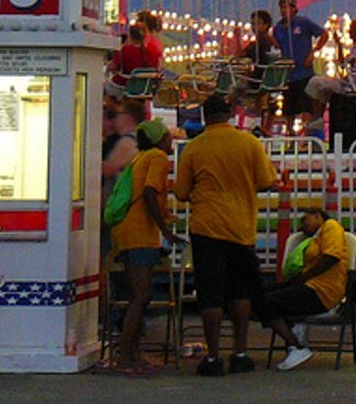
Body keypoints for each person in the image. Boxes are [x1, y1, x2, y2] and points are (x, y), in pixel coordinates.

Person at [173, 95, 276, 377]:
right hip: (242, 228)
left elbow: (181, 193)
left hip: (206, 229)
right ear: (229, 115)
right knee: (241, 293)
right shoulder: (249, 143)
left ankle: (213, 357)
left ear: (206, 117)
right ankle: (240, 354)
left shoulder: (194, 149)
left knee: (211, 295)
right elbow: (268, 180)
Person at [107, 119, 178, 374]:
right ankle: (125, 357)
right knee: (141, 296)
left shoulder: (141, 157)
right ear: (159, 140)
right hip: (139, 234)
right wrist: (165, 229)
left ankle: (134, 353)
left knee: (138, 295)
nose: (172, 141)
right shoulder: (158, 158)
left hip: (126, 232)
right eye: (168, 137)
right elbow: (149, 193)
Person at [259, 201, 348, 371]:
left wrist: (304, 277)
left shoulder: (331, 226)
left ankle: (296, 345)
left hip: (322, 291)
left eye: (304, 220)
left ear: (317, 216)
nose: (302, 226)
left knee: (266, 302)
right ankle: (294, 331)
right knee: (259, 295)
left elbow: (332, 257)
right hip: (311, 286)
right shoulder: (314, 239)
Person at [271, 0, 324, 122]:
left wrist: (313, 53)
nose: (284, 10)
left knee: (306, 104)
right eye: (282, 8)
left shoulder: (303, 22)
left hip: (304, 71)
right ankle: (290, 134)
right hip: (288, 74)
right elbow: (276, 46)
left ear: (294, 8)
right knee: (288, 107)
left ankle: (305, 132)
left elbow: (323, 34)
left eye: (287, 7)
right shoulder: (278, 28)